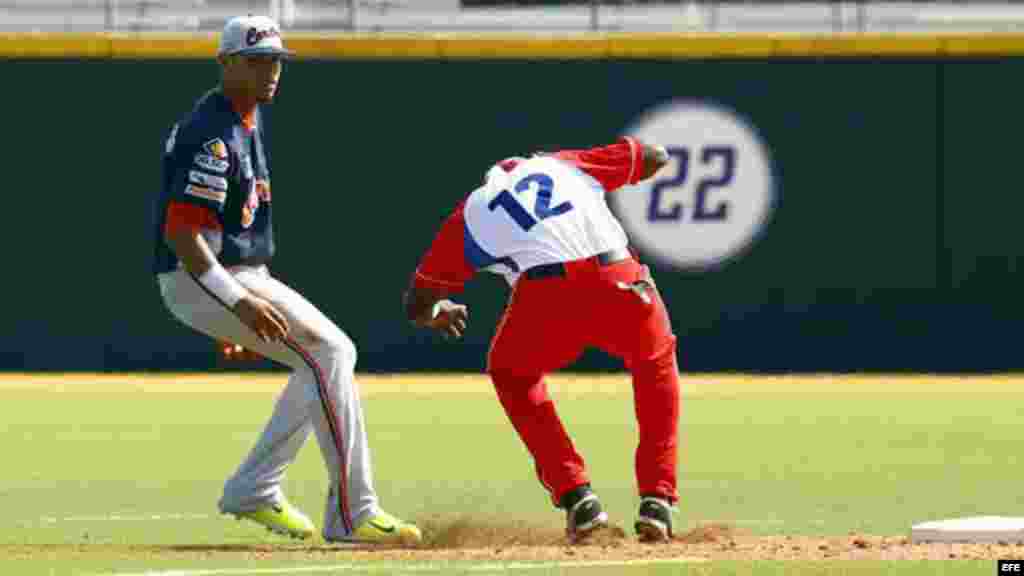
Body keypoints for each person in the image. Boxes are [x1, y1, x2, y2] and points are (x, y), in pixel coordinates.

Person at [153, 15, 420, 545]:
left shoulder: (242, 118)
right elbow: (183, 235)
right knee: (331, 353)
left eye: (276, 61)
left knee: (321, 359)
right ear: (226, 63)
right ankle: (352, 513)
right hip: (206, 275)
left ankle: (255, 488)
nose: (270, 71)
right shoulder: (212, 134)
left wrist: (241, 306)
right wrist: (237, 306)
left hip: (234, 274)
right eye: (256, 61)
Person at [402, 138, 680, 542]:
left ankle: (577, 496)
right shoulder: (565, 165)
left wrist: (434, 314)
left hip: (546, 298)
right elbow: (656, 155)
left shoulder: (472, 211)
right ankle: (658, 499)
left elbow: (417, 300)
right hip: (619, 278)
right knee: (654, 364)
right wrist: (622, 176)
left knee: (512, 373)